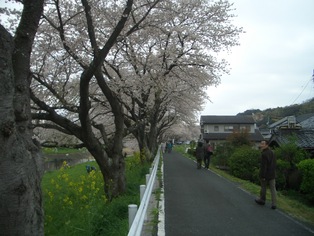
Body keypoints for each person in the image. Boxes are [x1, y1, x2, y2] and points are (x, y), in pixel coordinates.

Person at [255, 140, 277, 209]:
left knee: (263, 187)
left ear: (267, 145)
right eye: (261, 143)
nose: (261, 145)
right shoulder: (272, 152)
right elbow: (274, 164)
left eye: (263, 144)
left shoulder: (264, 154)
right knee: (273, 189)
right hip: (272, 173)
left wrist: (263, 176)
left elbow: (263, 166)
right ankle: (274, 204)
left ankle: (262, 200)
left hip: (266, 174)